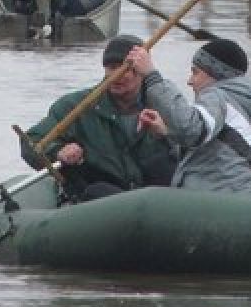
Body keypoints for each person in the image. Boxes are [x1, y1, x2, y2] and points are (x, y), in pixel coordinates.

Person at [19, 34, 177, 201]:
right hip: (98, 203)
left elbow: (192, 148)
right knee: (98, 190)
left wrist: (166, 136)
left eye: (125, 68)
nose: (116, 75)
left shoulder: (165, 106)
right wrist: (57, 152)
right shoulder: (76, 106)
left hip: (154, 200)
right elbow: (32, 142)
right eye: (111, 67)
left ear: (142, 71)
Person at [126, 36, 251, 197]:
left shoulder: (218, 97)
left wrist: (151, 75)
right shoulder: (248, 102)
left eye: (195, 72)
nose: (189, 81)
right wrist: (166, 132)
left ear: (215, 74)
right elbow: (217, 150)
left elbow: (191, 130)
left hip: (222, 200)